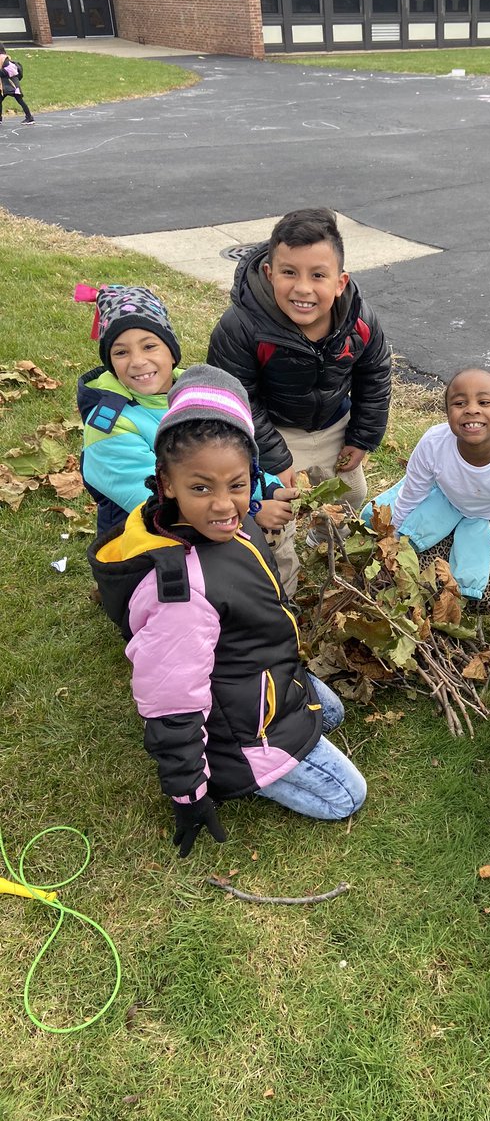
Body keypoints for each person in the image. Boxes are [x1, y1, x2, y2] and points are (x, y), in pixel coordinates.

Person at [88, 364, 367, 859]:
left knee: (335, 712)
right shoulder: (182, 590)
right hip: (236, 724)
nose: (223, 505)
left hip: (253, 673)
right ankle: (234, 767)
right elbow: (173, 701)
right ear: (167, 484)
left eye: (237, 486)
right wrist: (187, 792)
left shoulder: (238, 520)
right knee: (347, 797)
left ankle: (273, 735)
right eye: (201, 488)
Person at [207, 207, 391, 596]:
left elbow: (373, 375)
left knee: (351, 496)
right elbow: (237, 399)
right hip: (271, 432)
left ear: (341, 282)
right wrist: (275, 457)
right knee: (277, 520)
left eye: (318, 275)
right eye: (289, 273)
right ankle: (280, 596)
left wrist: (362, 436)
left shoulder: (360, 321)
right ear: (270, 273)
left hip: (333, 427)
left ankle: (324, 541)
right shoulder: (241, 327)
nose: (303, 288)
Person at [76, 283, 297, 540]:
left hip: (213, 527)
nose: (137, 361)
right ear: (110, 363)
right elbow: (157, 499)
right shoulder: (109, 425)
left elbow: (231, 455)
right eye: (121, 352)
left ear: (172, 351)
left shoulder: (200, 391)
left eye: (149, 346)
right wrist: (251, 512)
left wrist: (268, 488)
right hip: (146, 547)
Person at [363, 368, 490, 606]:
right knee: (403, 568)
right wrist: (390, 538)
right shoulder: (434, 442)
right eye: (459, 403)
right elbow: (411, 497)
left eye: (485, 402)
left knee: (481, 598)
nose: (472, 409)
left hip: (488, 516)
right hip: (443, 498)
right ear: (447, 414)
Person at [0, 45, 35, 125]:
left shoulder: (3, 58)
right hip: (5, 85)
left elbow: (12, 70)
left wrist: (1, 73)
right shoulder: (3, 57)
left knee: (20, 100)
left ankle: (29, 118)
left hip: (11, 84)